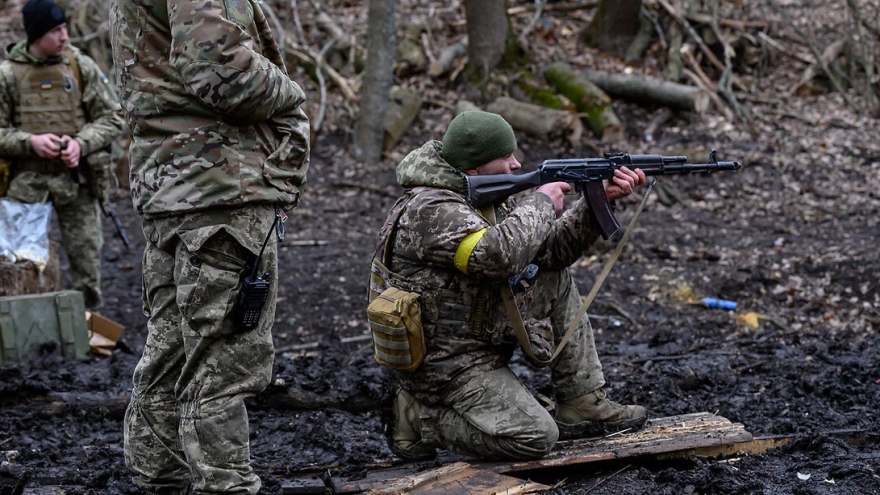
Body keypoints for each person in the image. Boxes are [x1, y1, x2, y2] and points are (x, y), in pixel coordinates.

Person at [109, 1, 310, 493]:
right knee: (224, 361)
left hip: (172, 190)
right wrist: (293, 93)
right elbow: (220, 68)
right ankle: (225, 485)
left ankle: (161, 479)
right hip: (221, 189)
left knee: (171, 350)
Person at [375, 110, 648, 461]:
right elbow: (497, 255)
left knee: (553, 277)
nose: (517, 164)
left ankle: (582, 400)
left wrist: (597, 204)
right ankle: (415, 417)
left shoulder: (483, 196)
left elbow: (548, 252)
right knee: (536, 437)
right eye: (506, 157)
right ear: (475, 168)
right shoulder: (430, 209)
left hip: (477, 342)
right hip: (446, 366)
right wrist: (542, 201)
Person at [0, 0, 124, 311]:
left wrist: (81, 144)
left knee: (87, 265)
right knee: (20, 264)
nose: (65, 36)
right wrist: (30, 142)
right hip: (25, 184)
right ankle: (23, 331)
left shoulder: (80, 67)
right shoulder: (7, 75)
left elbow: (112, 117)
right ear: (36, 35)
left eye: (66, 27)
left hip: (77, 181)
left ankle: (86, 329)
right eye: (55, 30)